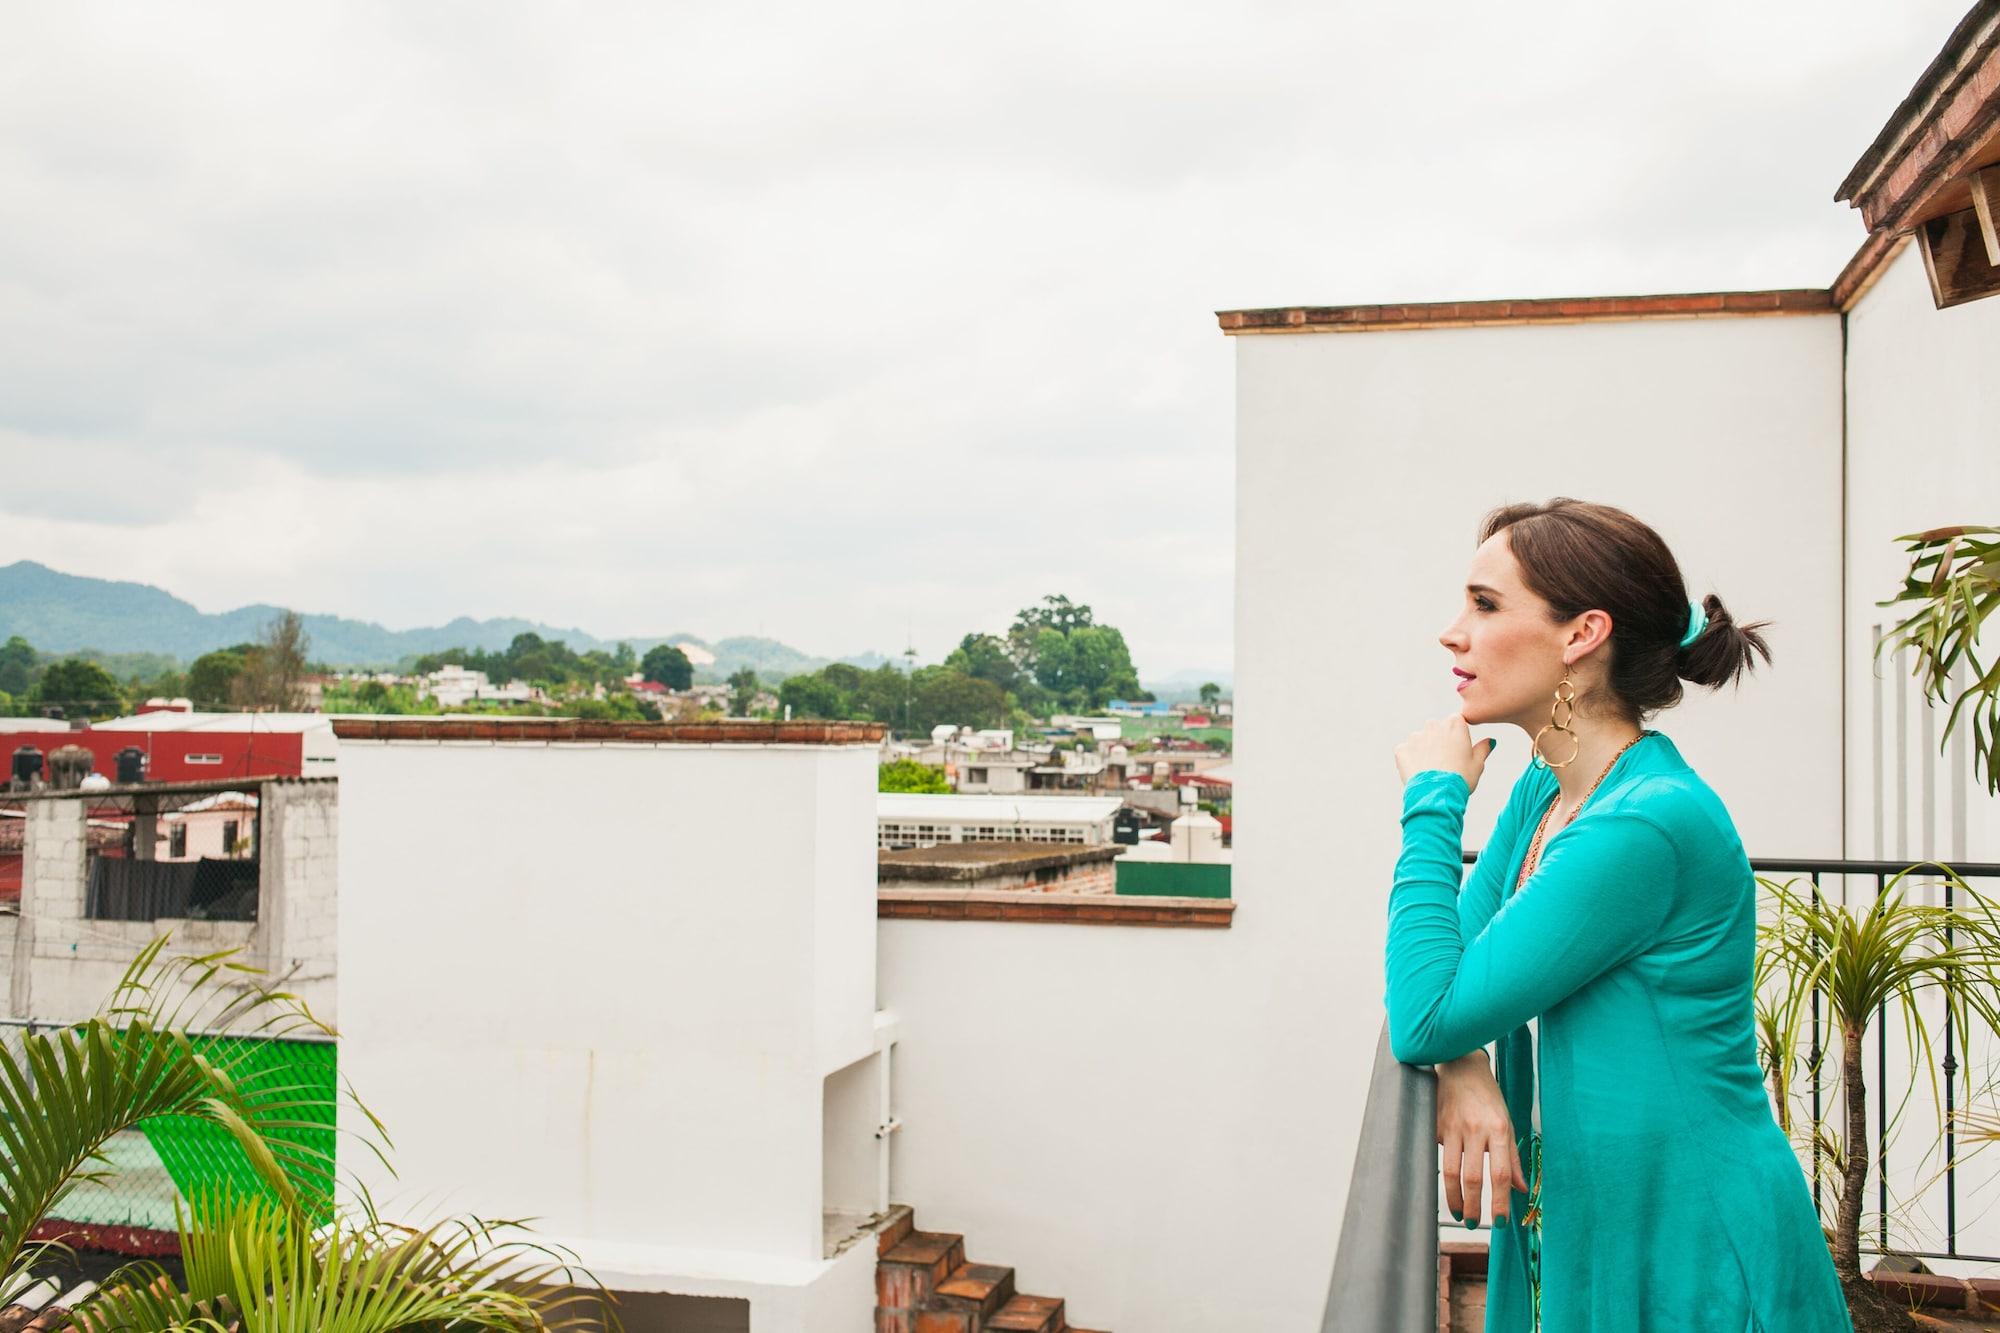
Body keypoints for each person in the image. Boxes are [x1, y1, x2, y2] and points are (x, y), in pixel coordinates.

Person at [1385, 498, 1849, 1332]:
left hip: (1693, 1243)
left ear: (1581, 634)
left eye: (1485, 604)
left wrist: (1435, 795)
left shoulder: (1643, 823)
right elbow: (1448, 977)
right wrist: (1466, 1062)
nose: (1451, 632)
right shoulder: (1548, 788)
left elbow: (1423, 1012)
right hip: (1600, 1216)